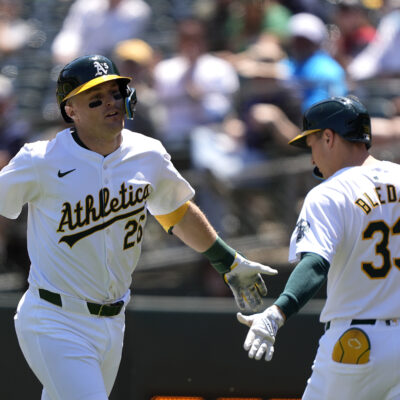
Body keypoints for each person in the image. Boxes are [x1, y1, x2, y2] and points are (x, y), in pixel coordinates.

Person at [2, 54, 277, 400]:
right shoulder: (40, 160)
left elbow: (175, 212)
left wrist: (229, 261)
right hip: (54, 318)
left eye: (115, 93)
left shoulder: (147, 154)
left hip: (112, 321)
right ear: (70, 110)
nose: (111, 104)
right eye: (95, 99)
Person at [237, 95, 400, 399]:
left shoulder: (329, 193)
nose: (311, 158)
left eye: (311, 144)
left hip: (356, 343)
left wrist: (278, 312)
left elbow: (315, 264)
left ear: (328, 137)